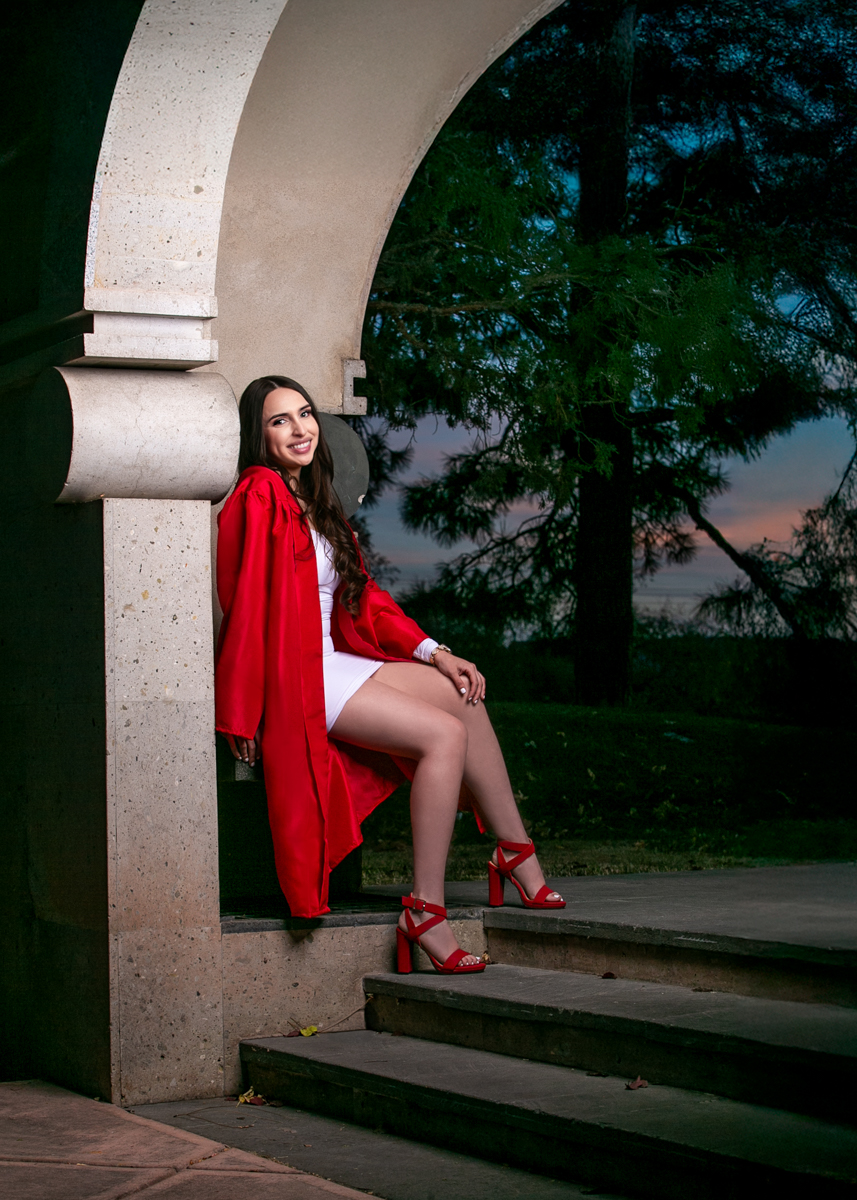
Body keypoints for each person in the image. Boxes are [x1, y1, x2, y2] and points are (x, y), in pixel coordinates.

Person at [215, 375, 564, 975]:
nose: (299, 429)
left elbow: (365, 598)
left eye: (304, 414)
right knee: (444, 737)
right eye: (279, 420)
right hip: (296, 676)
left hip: (331, 661)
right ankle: (425, 911)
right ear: (258, 434)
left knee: (461, 692)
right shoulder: (259, 493)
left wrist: (435, 652)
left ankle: (514, 851)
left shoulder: (315, 500)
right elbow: (243, 606)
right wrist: (240, 712)